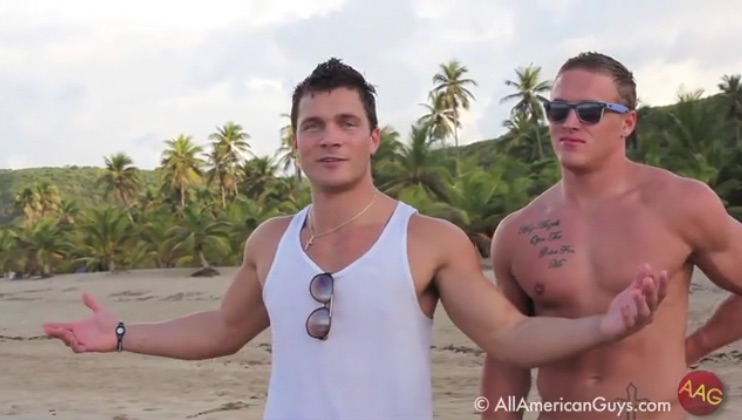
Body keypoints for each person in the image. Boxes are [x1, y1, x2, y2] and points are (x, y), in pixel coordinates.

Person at [44, 58, 668, 420]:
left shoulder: (428, 239)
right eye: (313, 125)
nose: (330, 137)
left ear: (373, 137)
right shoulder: (270, 240)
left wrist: (605, 326)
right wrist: (123, 336)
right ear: (296, 142)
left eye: (347, 123)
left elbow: (508, 335)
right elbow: (221, 330)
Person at [480, 51, 742, 420]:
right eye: (557, 110)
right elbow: (506, 354)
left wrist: (697, 345)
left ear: (627, 122)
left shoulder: (681, 203)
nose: (570, 122)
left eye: (589, 111)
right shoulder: (518, 232)